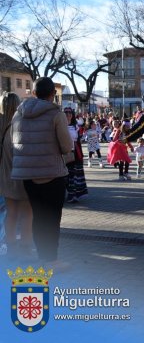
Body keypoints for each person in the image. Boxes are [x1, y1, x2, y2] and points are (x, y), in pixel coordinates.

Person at [10, 77, 72, 270]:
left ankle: (42, 256)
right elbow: (66, 146)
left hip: (27, 174)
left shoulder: (18, 114)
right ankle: (51, 260)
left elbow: (15, 143)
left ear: (34, 93)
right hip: (51, 172)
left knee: (38, 216)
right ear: (53, 94)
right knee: (52, 217)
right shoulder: (55, 114)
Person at [0, 92, 33, 260]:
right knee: (27, 213)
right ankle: (25, 248)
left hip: (4, 175)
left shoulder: (2, 124)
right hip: (20, 174)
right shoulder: (19, 123)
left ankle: (11, 247)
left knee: (11, 213)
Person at [64, 107, 89, 202]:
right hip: (64, 152)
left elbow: (79, 139)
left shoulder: (76, 126)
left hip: (75, 153)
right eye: (66, 112)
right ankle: (69, 193)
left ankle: (73, 195)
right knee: (66, 175)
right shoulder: (60, 125)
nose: (68, 114)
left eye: (70, 112)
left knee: (74, 175)